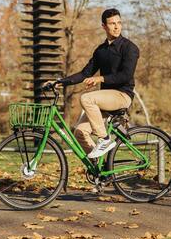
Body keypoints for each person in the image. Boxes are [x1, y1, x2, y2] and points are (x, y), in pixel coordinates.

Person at [49, 8, 139, 159]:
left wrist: (100, 78)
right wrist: (60, 82)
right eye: (112, 23)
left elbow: (125, 75)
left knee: (86, 98)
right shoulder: (101, 51)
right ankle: (99, 168)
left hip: (123, 95)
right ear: (104, 26)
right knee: (79, 133)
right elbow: (85, 73)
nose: (117, 27)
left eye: (119, 23)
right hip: (105, 101)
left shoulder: (130, 48)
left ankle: (104, 139)